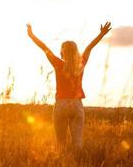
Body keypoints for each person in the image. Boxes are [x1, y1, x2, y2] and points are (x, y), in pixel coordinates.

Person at [26, 22, 112, 152]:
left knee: (60, 144)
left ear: (62, 52)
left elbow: (44, 47)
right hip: (76, 105)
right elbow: (89, 47)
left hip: (61, 104)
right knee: (77, 144)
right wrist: (101, 34)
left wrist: (31, 35)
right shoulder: (81, 63)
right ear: (76, 51)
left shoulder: (58, 64)